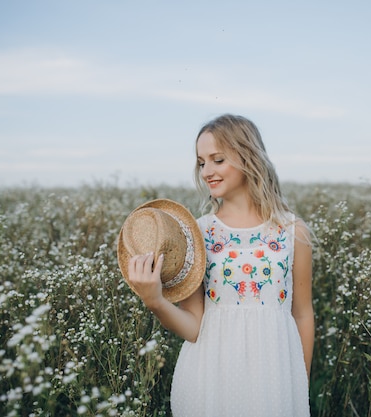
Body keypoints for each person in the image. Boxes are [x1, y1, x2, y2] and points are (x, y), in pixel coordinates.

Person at [126, 114, 314, 416]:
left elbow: (303, 315)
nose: (207, 172)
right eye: (202, 162)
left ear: (248, 157)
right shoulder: (197, 234)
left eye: (217, 160)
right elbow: (194, 327)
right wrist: (155, 301)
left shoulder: (293, 232)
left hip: (275, 382)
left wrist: (298, 387)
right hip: (209, 379)